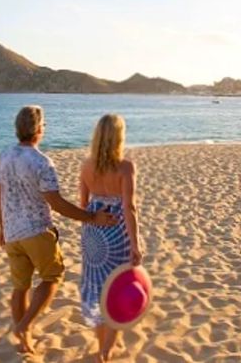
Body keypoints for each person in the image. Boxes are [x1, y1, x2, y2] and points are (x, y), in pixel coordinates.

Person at [0, 105, 117, 355]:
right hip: (37, 231)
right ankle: (24, 325)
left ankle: (24, 340)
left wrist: (2, 227)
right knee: (52, 278)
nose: (44, 128)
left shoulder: (4, 155)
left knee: (21, 287)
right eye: (44, 125)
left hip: (12, 233)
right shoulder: (42, 163)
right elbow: (57, 203)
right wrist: (92, 217)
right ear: (38, 129)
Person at [79, 114, 143, 362]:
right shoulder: (125, 167)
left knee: (95, 287)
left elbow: (83, 206)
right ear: (119, 137)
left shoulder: (86, 165)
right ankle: (107, 348)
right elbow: (130, 208)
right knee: (118, 288)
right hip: (117, 233)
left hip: (93, 233)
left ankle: (100, 343)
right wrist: (135, 244)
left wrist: (92, 220)